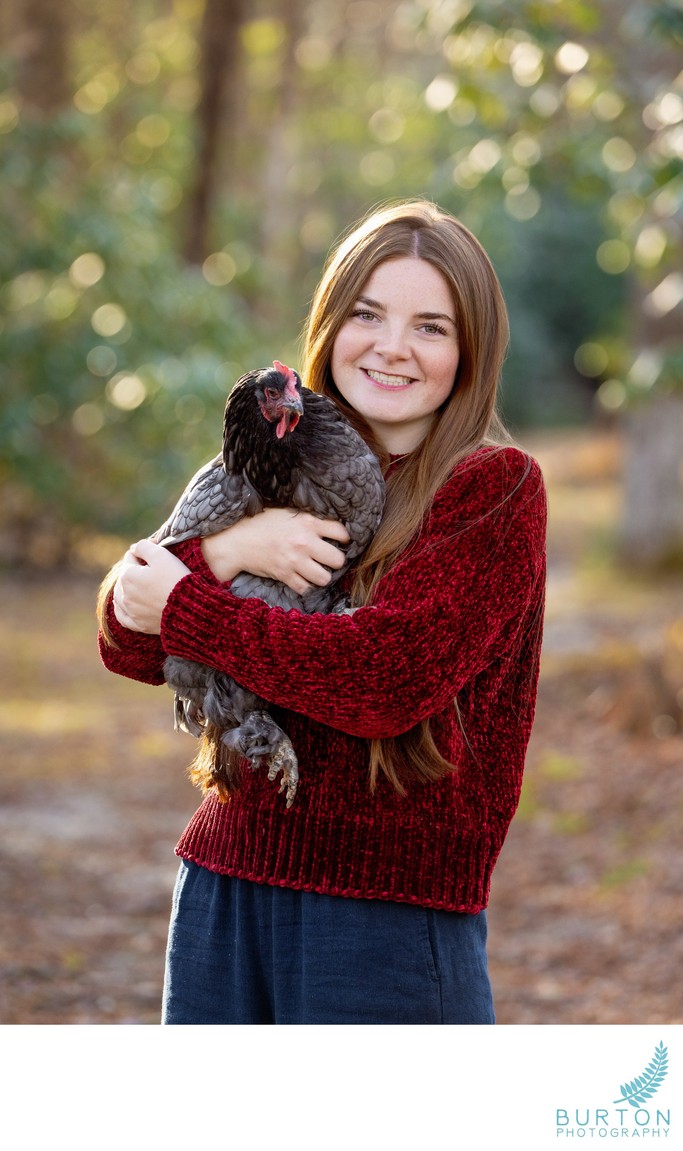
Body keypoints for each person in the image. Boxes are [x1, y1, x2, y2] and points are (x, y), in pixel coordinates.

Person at [98, 199, 547, 1025]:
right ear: (330, 323)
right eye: (368, 314)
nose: (391, 347)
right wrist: (232, 553)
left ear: (470, 352)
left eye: (431, 327)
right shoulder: (271, 450)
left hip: (387, 912)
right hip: (226, 882)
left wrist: (190, 599)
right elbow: (128, 632)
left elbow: (384, 676)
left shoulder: (491, 489)